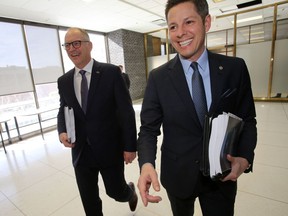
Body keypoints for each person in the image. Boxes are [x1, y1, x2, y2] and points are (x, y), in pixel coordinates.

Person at [137, 1, 257, 216]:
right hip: (178, 174)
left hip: (222, 174)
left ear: (207, 22)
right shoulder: (158, 78)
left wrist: (245, 158)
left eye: (189, 22)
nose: (180, 33)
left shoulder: (234, 69)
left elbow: (247, 119)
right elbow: (148, 129)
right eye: (173, 26)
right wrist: (146, 163)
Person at [57, 27, 138, 216]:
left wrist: (130, 146)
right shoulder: (64, 81)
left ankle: (130, 192)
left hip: (109, 148)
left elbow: (126, 111)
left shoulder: (110, 73)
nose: (72, 49)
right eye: (67, 45)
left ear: (89, 45)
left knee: (116, 192)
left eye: (76, 43)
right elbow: (63, 109)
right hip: (81, 151)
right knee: (89, 201)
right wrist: (62, 131)